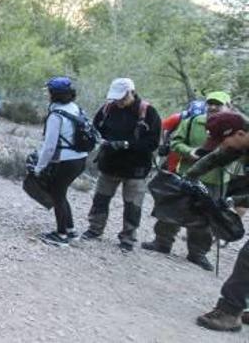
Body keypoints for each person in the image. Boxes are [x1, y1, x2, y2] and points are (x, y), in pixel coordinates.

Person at [142, 92, 232, 270]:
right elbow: (176, 142)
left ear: (228, 106)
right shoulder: (192, 121)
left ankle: (197, 253)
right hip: (187, 174)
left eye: (218, 104)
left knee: (205, 218)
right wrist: (188, 151)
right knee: (172, 209)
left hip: (215, 180)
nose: (213, 107)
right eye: (210, 103)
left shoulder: (235, 129)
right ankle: (162, 242)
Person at [82, 78, 161, 252]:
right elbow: (95, 130)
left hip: (136, 168)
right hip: (109, 164)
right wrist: (99, 140)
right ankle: (95, 229)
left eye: (122, 98)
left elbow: (153, 143)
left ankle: (128, 237)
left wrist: (126, 144)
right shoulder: (107, 109)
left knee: (133, 205)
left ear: (132, 92)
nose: (119, 101)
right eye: (116, 98)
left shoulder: (148, 112)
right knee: (101, 199)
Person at [187, 112, 249, 332]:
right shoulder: (240, 142)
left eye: (223, 139)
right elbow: (216, 157)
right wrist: (189, 177)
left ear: (241, 133)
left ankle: (230, 312)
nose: (221, 145)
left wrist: (234, 200)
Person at [32, 77, 88, 245]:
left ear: (54, 94)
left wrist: (39, 167)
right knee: (61, 193)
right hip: (80, 158)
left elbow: (49, 146)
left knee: (57, 194)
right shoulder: (75, 108)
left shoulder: (56, 115)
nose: (46, 93)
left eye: (48, 91)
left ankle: (61, 234)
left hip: (66, 160)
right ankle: (70, 230)